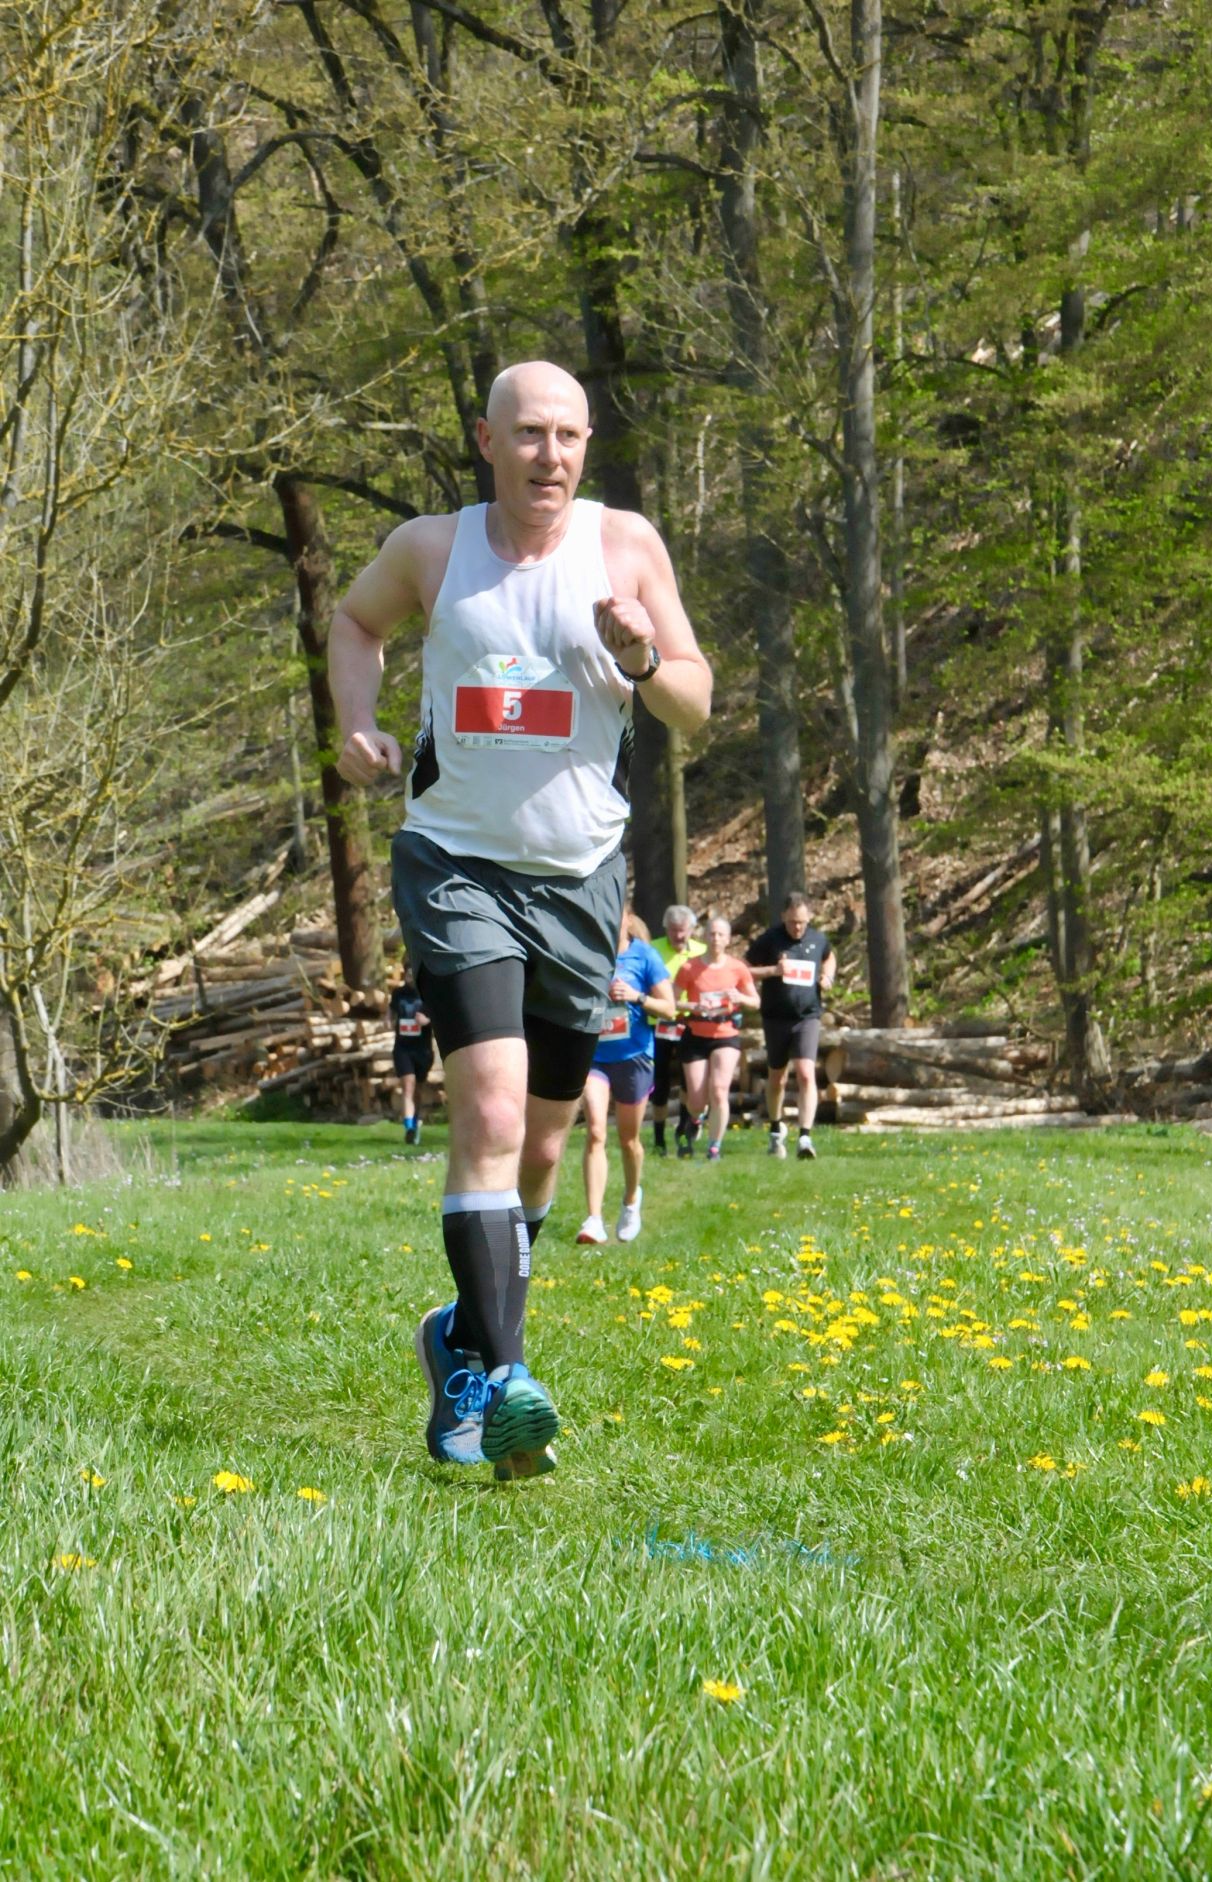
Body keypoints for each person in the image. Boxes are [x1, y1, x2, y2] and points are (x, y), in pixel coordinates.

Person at [329, 359, 711, 1479]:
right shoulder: (431, 550)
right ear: (487, 441)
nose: (551, 455)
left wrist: (642, 656)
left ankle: (458, 1338)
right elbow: (354, 622)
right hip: (456, 865)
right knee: (490, 1111)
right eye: (530, 433)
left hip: (581, 879)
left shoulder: (625, 545)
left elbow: (693, 704)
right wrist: (358, 723)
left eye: (569, 435)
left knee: (543, 1145)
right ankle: (504, 1380)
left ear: (587, 446)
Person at [577, 909, 675, 1246]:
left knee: (628, 1140)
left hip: (634, 1056)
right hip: (594, 1057)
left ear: (627, 919)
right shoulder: (586, 952)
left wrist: (636, 996)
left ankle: (631, 1199)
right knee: (595, 1131)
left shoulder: (644, 956)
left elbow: (669, 1008)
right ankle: (594, 1220)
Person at [745, 892, 836, 1161]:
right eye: (793, 922)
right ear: (784, 915)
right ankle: (776, 1128)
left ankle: (805, 1136)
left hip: (807, 1016)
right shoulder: (769, 940)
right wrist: (773, 971)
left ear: (810, 918)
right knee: (778, 1077)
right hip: (775, 1018)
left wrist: (828, 977)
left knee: (806, 1074)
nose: (797, 927)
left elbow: (830, 956)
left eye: (802, 922)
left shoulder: (817, 939)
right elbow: (743, 969)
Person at [672, 915, 760, 1160]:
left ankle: (714, 1147)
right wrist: (692, 1006)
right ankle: (695, 1119)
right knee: (696, 1098)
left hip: (726, 1034)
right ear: (704, 937)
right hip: (696, 1034)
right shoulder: (689, 967)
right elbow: (672, 1001)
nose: (716, 939)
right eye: (712, 933)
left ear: (728, 939)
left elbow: (755, 1001)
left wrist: (740, 998)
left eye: (721, 934)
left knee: (719, 1090)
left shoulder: (737, 968)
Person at [648, 904, 704, 1157]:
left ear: (692, 929)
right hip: (658, 1024)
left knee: (688, 1081)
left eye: (683, 930)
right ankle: (659, 1139)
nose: (678, 936)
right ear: (665, 929)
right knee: (660, 1084)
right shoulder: (652, 949)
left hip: (690, 1024)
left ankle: (683, 1128)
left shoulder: (701, 951)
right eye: (673, 930)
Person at [389, 958, 434, 1144]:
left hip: (423, 1050)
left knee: (418, 1090)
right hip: (403, 1048)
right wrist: (388, 1021)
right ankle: (408, 1128)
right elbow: (391, 1013)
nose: (409, 976)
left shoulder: (429, 994)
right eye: (407, 973)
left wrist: (427, 1020)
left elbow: (439, 1017)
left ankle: (415, 1124)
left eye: (412, 973)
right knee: (408, 1086)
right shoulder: (398, 993)